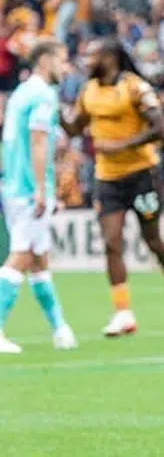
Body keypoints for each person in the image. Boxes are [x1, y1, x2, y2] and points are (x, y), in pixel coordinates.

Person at [62, 37, 164, 337]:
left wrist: (121, 146)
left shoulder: (135, 88)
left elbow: (160, 129)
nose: (86, 61)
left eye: (92, 55)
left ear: (110, 58)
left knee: (153, 240)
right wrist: (52, 109)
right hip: (108, 179)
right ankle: (123, 313)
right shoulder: (88, 91)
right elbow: (75, 128)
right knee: (111, 242)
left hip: (142, 175)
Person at [0, 39, 77, 353]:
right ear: (45, 61)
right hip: (29, 189)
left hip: (14, 184)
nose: (65, 68)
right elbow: (38, 141)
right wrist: (42, 189)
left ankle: (60, 329)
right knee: (21, 255)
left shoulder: (21, 92)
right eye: (61, 60)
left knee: (39, 259)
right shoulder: (43, 95)